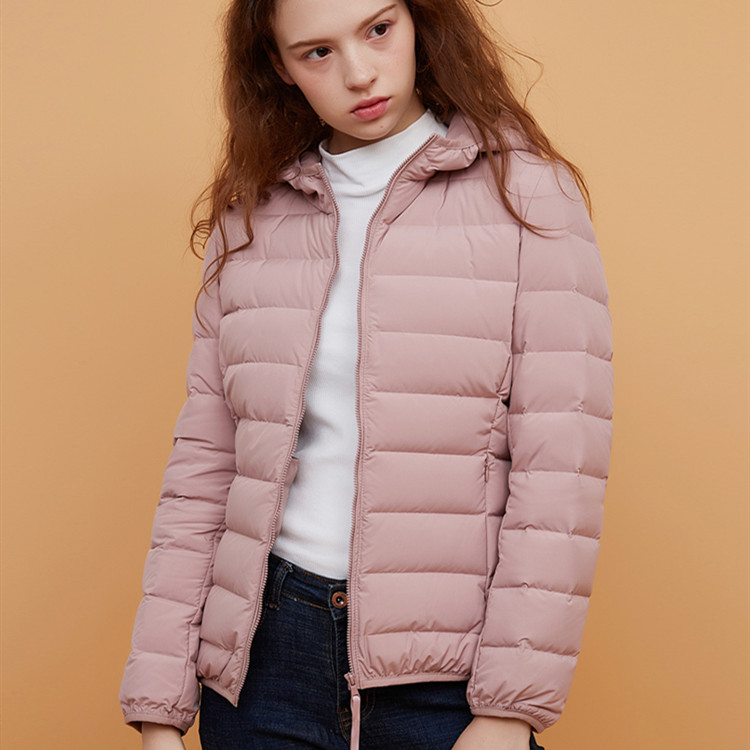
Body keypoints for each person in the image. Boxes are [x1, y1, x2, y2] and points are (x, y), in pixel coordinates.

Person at [118, 0, 614, 747]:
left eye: (379, 29)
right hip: (261, 661)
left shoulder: (528, 196)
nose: (359, 73)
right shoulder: (253, 214)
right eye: (316, 51)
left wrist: (510, 707)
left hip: (447, 672)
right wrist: (159, 707)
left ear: (420, 21)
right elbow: (206, 464)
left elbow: (561, 470)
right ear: (279, 67)